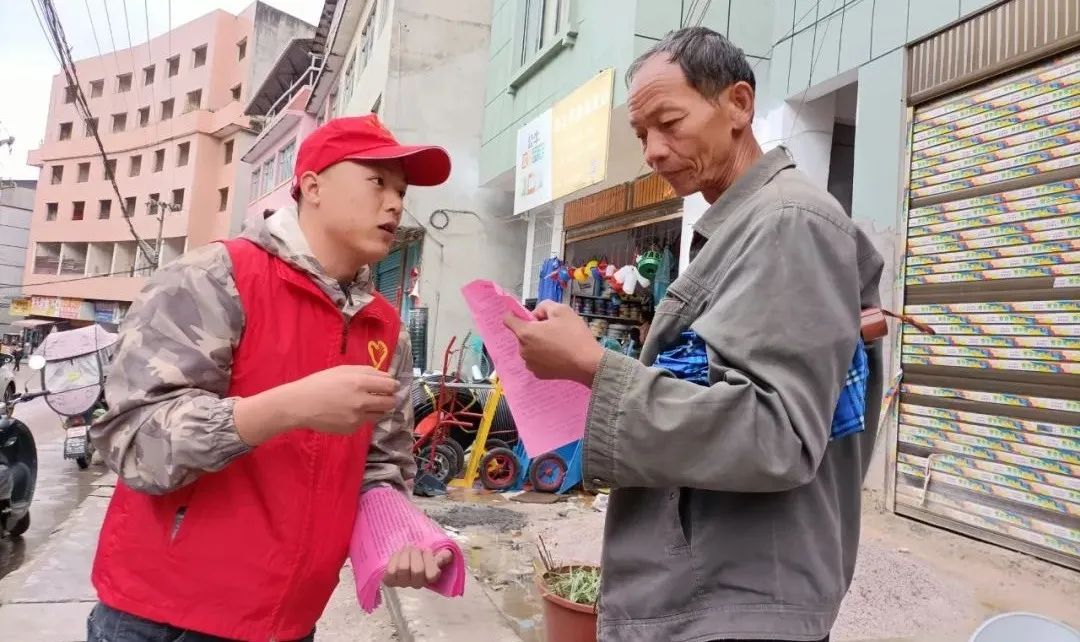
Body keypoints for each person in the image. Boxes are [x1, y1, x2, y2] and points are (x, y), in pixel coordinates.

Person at [505, 27, 884, 642]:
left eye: (669, 122)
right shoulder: (743, 227)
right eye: (641, 134)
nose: (653, 150)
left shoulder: (789, 223)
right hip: (717, 595)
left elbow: (778, 432)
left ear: (738, 104)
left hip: (737, 605)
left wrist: (593, 368)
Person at [87, 115, 454, 642]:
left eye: (401, 190)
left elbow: (383, 464)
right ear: (312, 185)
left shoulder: (385, 327)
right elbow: (133, 442)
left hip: (289, 623)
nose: (395, 203)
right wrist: (284, 409)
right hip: (163, 620)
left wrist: (400, 533)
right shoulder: (216, 277)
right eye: (377, 181)